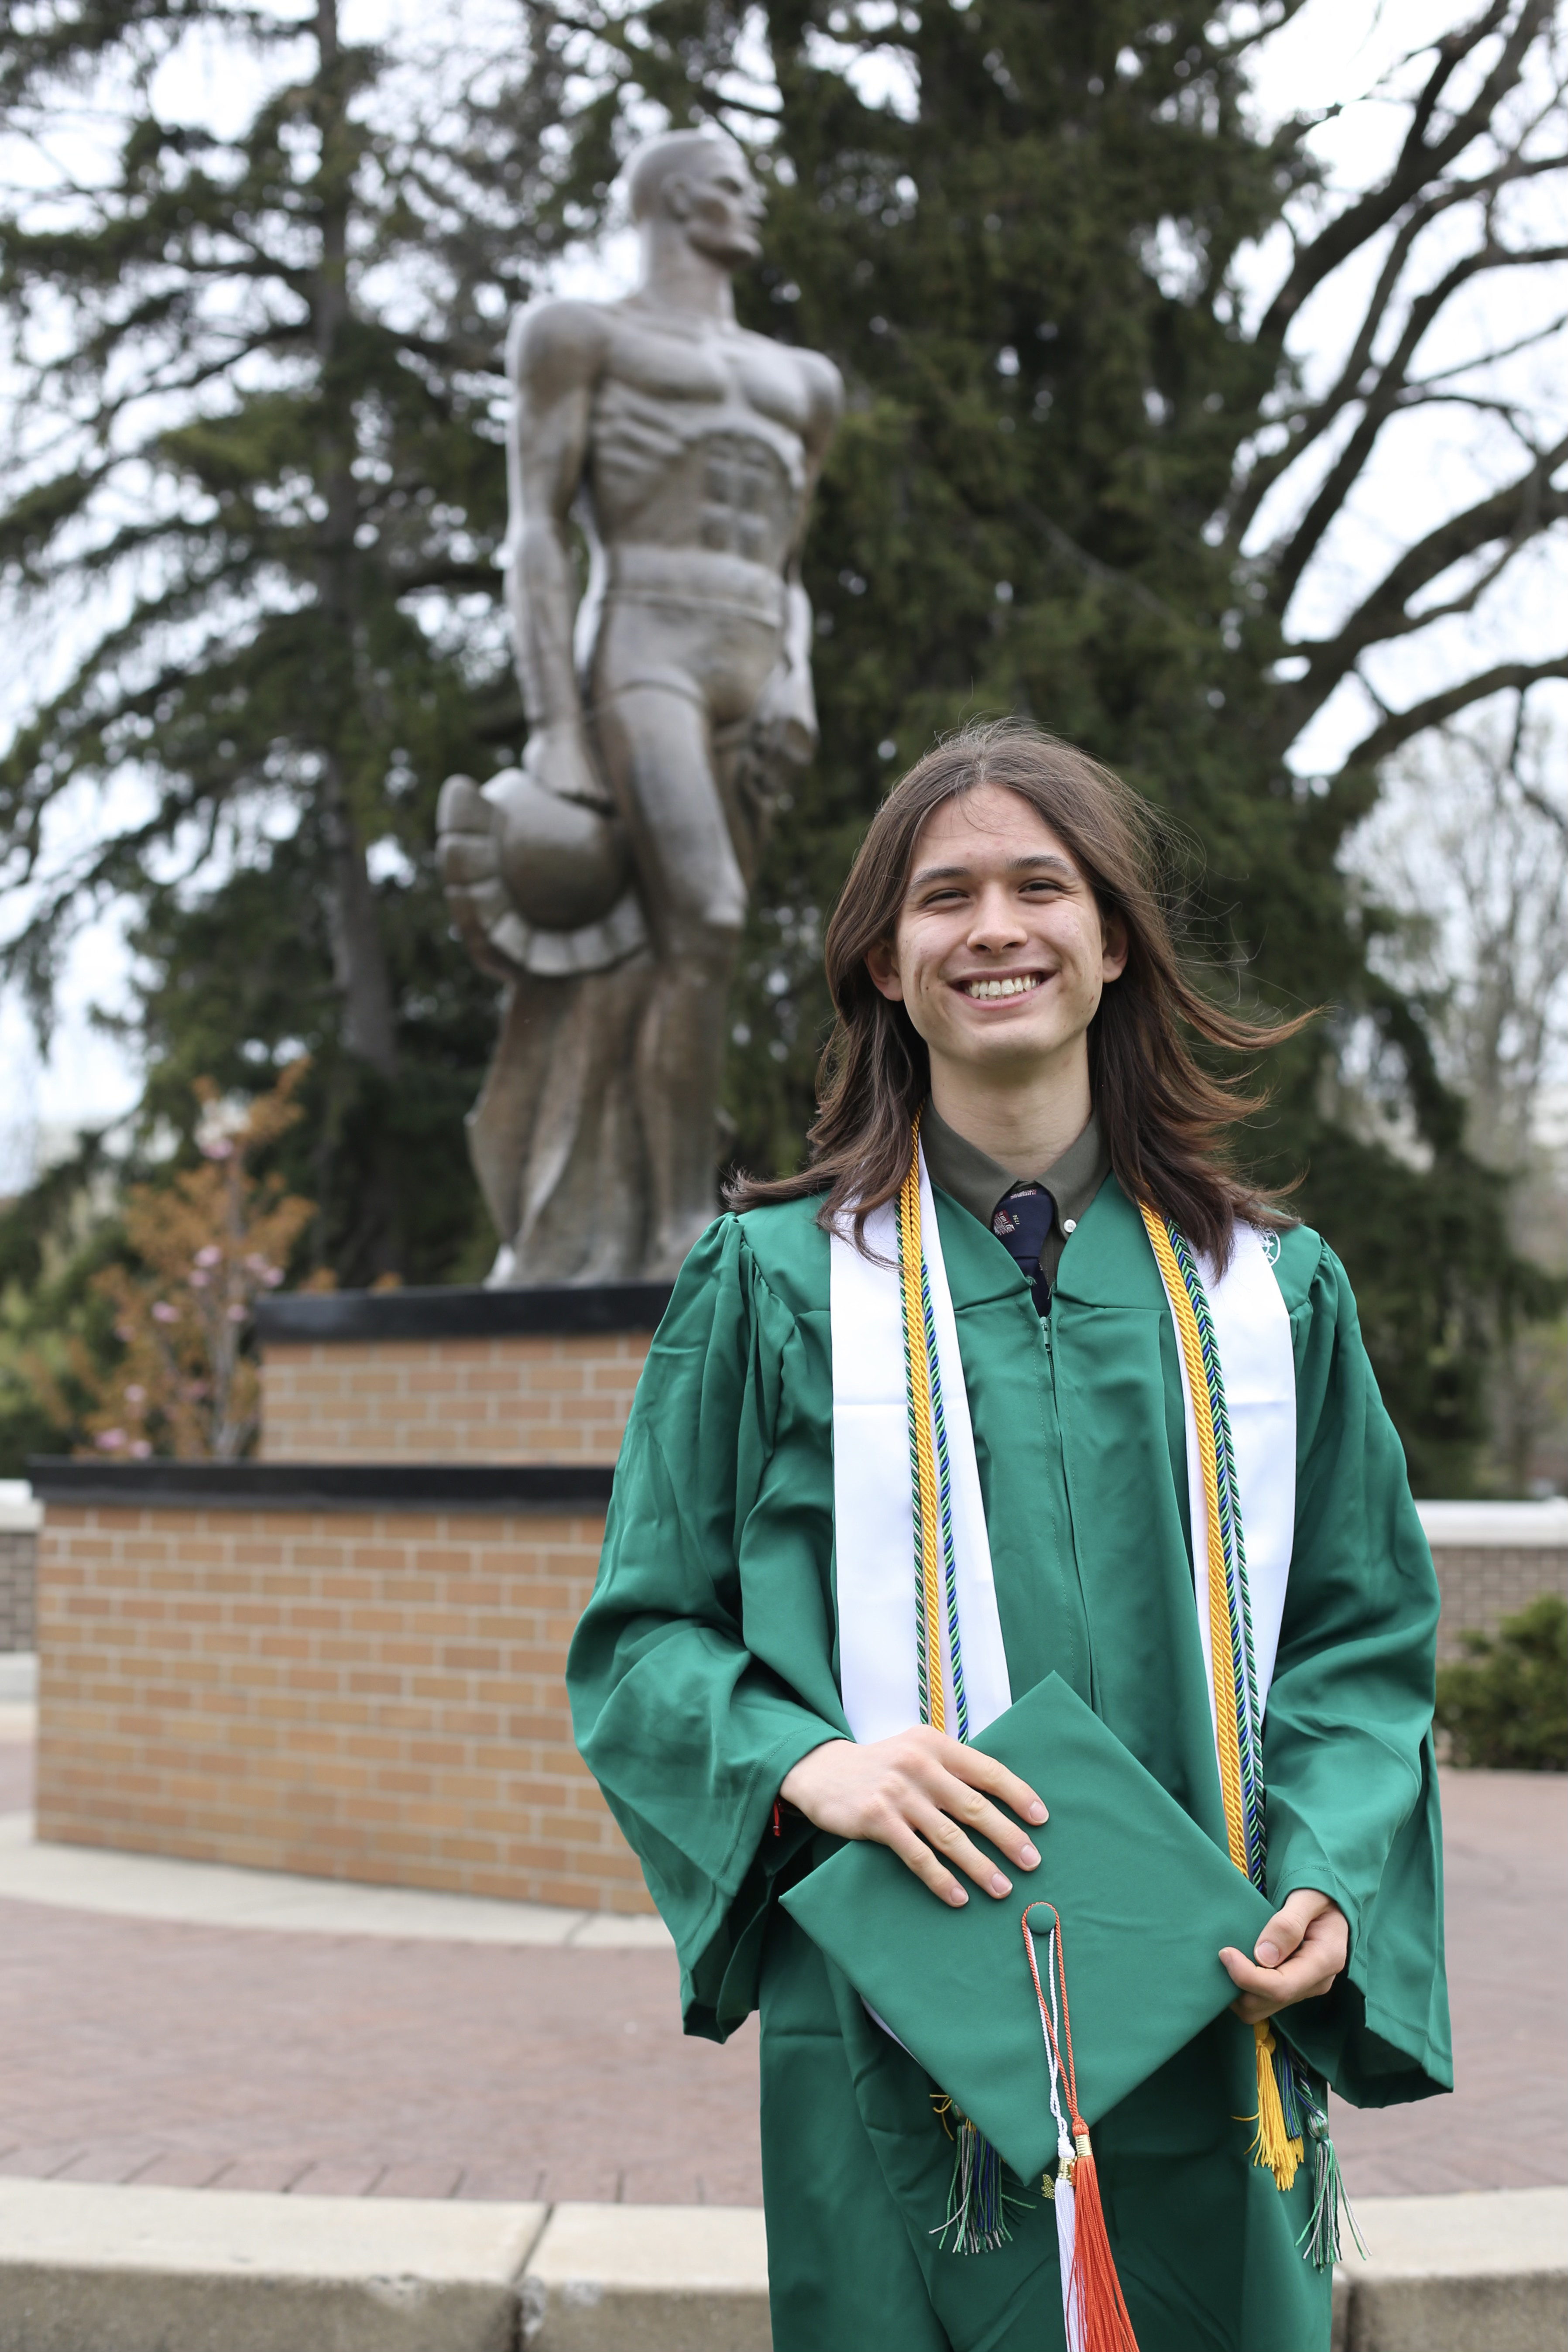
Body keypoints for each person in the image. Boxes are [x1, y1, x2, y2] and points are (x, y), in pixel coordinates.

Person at [566, 721, 1449, 2352]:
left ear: (1111, 943)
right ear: (884, 968)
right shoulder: (772, 1291)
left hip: (1209, 1996)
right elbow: (643, 1643)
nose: (994, 928)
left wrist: (1328, 1875)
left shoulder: (1269, 1297)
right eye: (942, 896)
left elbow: (1360, 1640)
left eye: (1040, 886)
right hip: (911, 2035)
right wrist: (799, 1765)